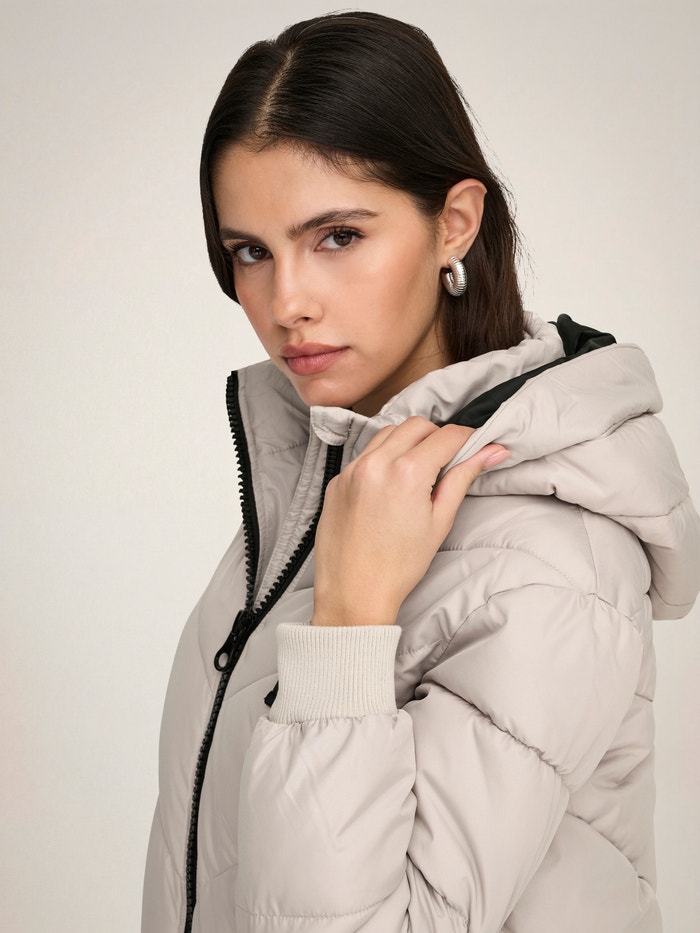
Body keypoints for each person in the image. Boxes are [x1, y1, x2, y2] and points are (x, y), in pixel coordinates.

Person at [142, 11, 700, 933]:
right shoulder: (333, 489)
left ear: (455, 223)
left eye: (337, 236)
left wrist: (351, 623)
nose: (286, 302)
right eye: (251, 251)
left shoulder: (552, 551)